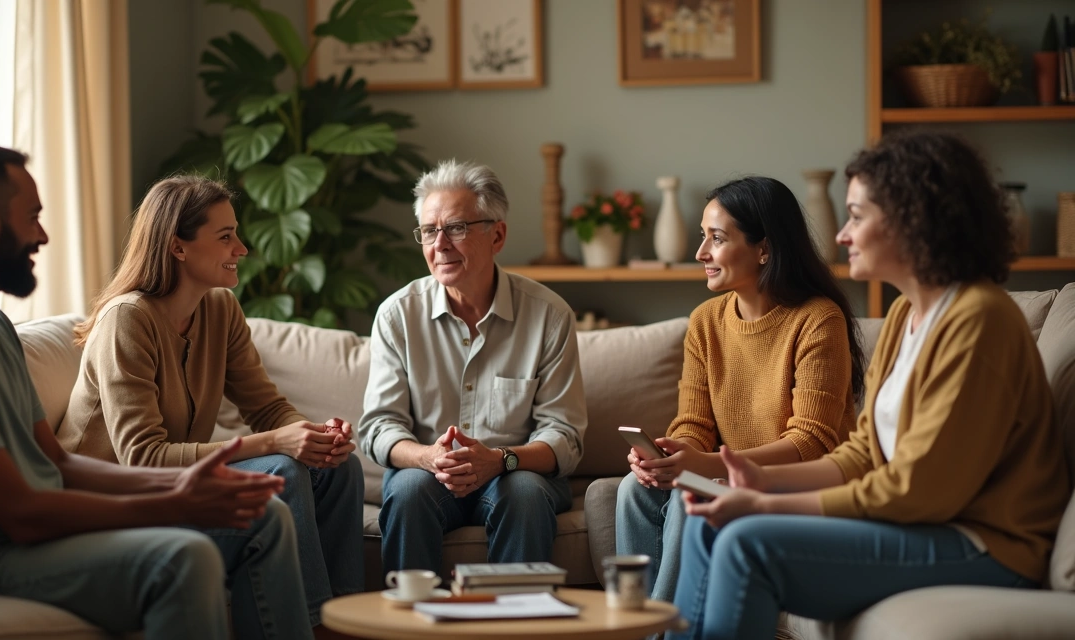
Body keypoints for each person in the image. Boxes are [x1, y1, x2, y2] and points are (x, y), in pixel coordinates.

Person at [0, 142, 313, 640]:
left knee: (264, 514)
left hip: (26, 538)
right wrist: (174, 503)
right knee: (182, 559)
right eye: (31, 217)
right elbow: (20, 514)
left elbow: (59, 464)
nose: (43, 235)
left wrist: (187, 486)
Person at [669, 130, 1071, 640]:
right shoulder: (907, 311)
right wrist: (758, 477)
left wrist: (766, 506)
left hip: (986, 542)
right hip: (922, 524)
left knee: (747, 542)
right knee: (710, 527)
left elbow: (917, 489)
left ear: (912, 221)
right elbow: (864, 452)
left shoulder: (979, 319)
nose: (841, 235)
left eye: (857, 217)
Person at [58, 175, 364, 629]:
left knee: (337, 467)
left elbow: (267, 409)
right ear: (177, 247)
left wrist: (315, 437)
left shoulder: (220, 309)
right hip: (112, 502)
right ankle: (312, 624)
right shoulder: (127, 320)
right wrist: (274, 444)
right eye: (226, 237)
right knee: (279, 470)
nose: (242, 248)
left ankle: (346, 624)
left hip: (177, 487)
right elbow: (143, 457)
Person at [615, 175, 865, 603]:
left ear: (764, 248)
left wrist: (706, 465)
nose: (701, 253)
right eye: (702, 237)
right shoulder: (706, 321)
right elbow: (694, 423)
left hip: (794, 482)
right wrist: (671, 454)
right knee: (632, 490)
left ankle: (667, 631)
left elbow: (812, 441)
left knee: (687, 498)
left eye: (716, 238)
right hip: (725, 472)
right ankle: (632, 623)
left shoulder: (818, 319)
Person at [359, 159, 587, 575]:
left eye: (457, 228)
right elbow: (379, 427)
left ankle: (515, 626)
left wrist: (500, 459)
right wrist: (429, 457)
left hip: (515, 474)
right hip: (427, 476)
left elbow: (565, 437)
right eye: (430, 230)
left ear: (496, 234)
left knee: (525, 493)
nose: (440, 244)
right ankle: (414, 630)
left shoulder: (549, 315)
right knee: (409, 490)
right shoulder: (397, 315)